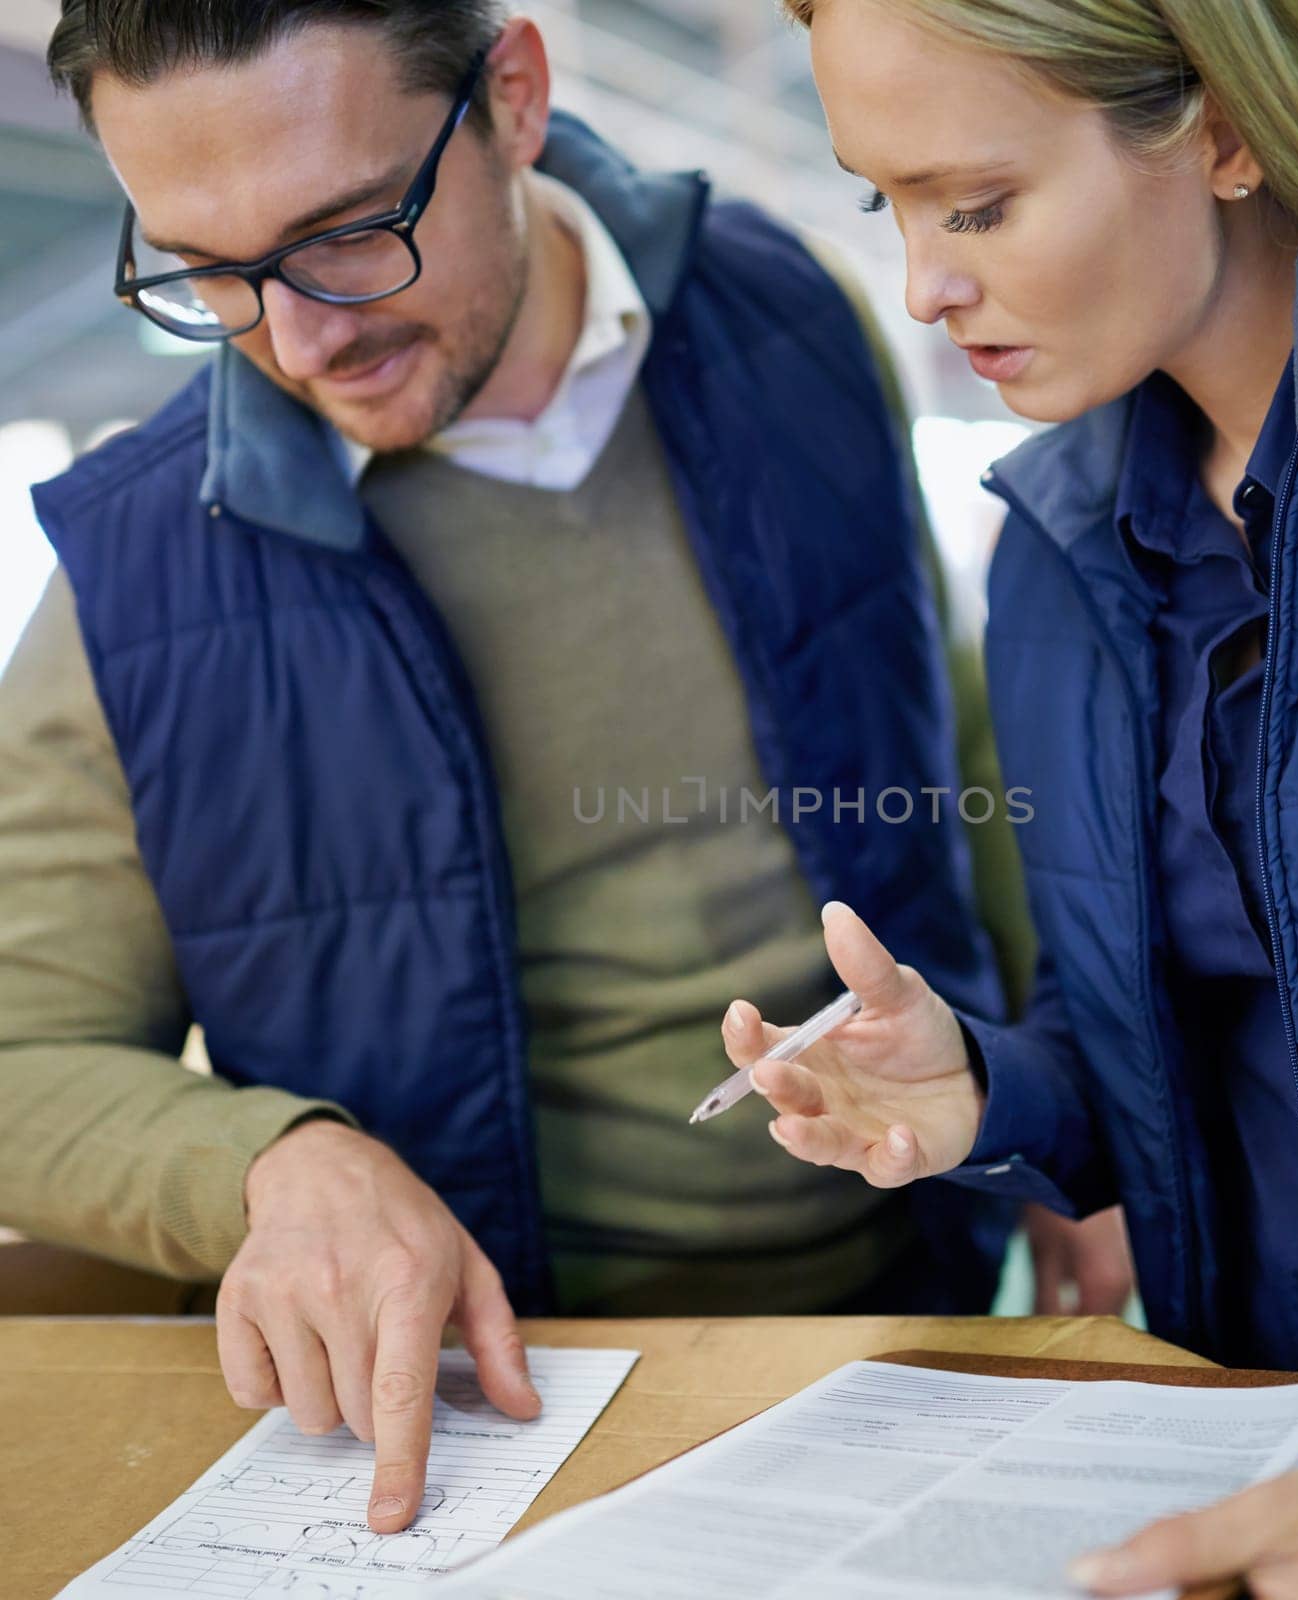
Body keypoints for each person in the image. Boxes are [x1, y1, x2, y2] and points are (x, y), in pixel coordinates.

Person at [0, 0, 1076, 1538]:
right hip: (490, 1418)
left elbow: (951, 738)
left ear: (513, 95)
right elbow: (14, 1060)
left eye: (349, 232)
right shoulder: (138, 573)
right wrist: (268, 1164)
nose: (299, 339)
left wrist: (1056, 1104)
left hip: (926, 1324)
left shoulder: (794, 314)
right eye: (208, 270)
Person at [721, 0, 1298, 1595]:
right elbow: (1224, 1054)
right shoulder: (1062, 554)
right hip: (1272, 1508)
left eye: (975, 203)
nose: (925, 285)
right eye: (888, 204)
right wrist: (988, 1092)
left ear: (1226, 127)